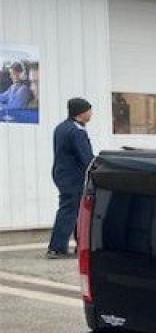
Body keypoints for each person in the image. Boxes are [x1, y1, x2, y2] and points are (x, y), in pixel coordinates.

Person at [48, 97, 95, 258]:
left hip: (61, 173)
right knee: (69, 210)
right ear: (82, 112)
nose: (91, 114)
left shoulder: (62, 127)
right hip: (72, 176)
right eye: (89, 110)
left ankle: (79, 244)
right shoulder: (77, 131)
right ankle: (57, 248)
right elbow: (86, 157)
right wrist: (97, 167)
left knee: (75, 209)